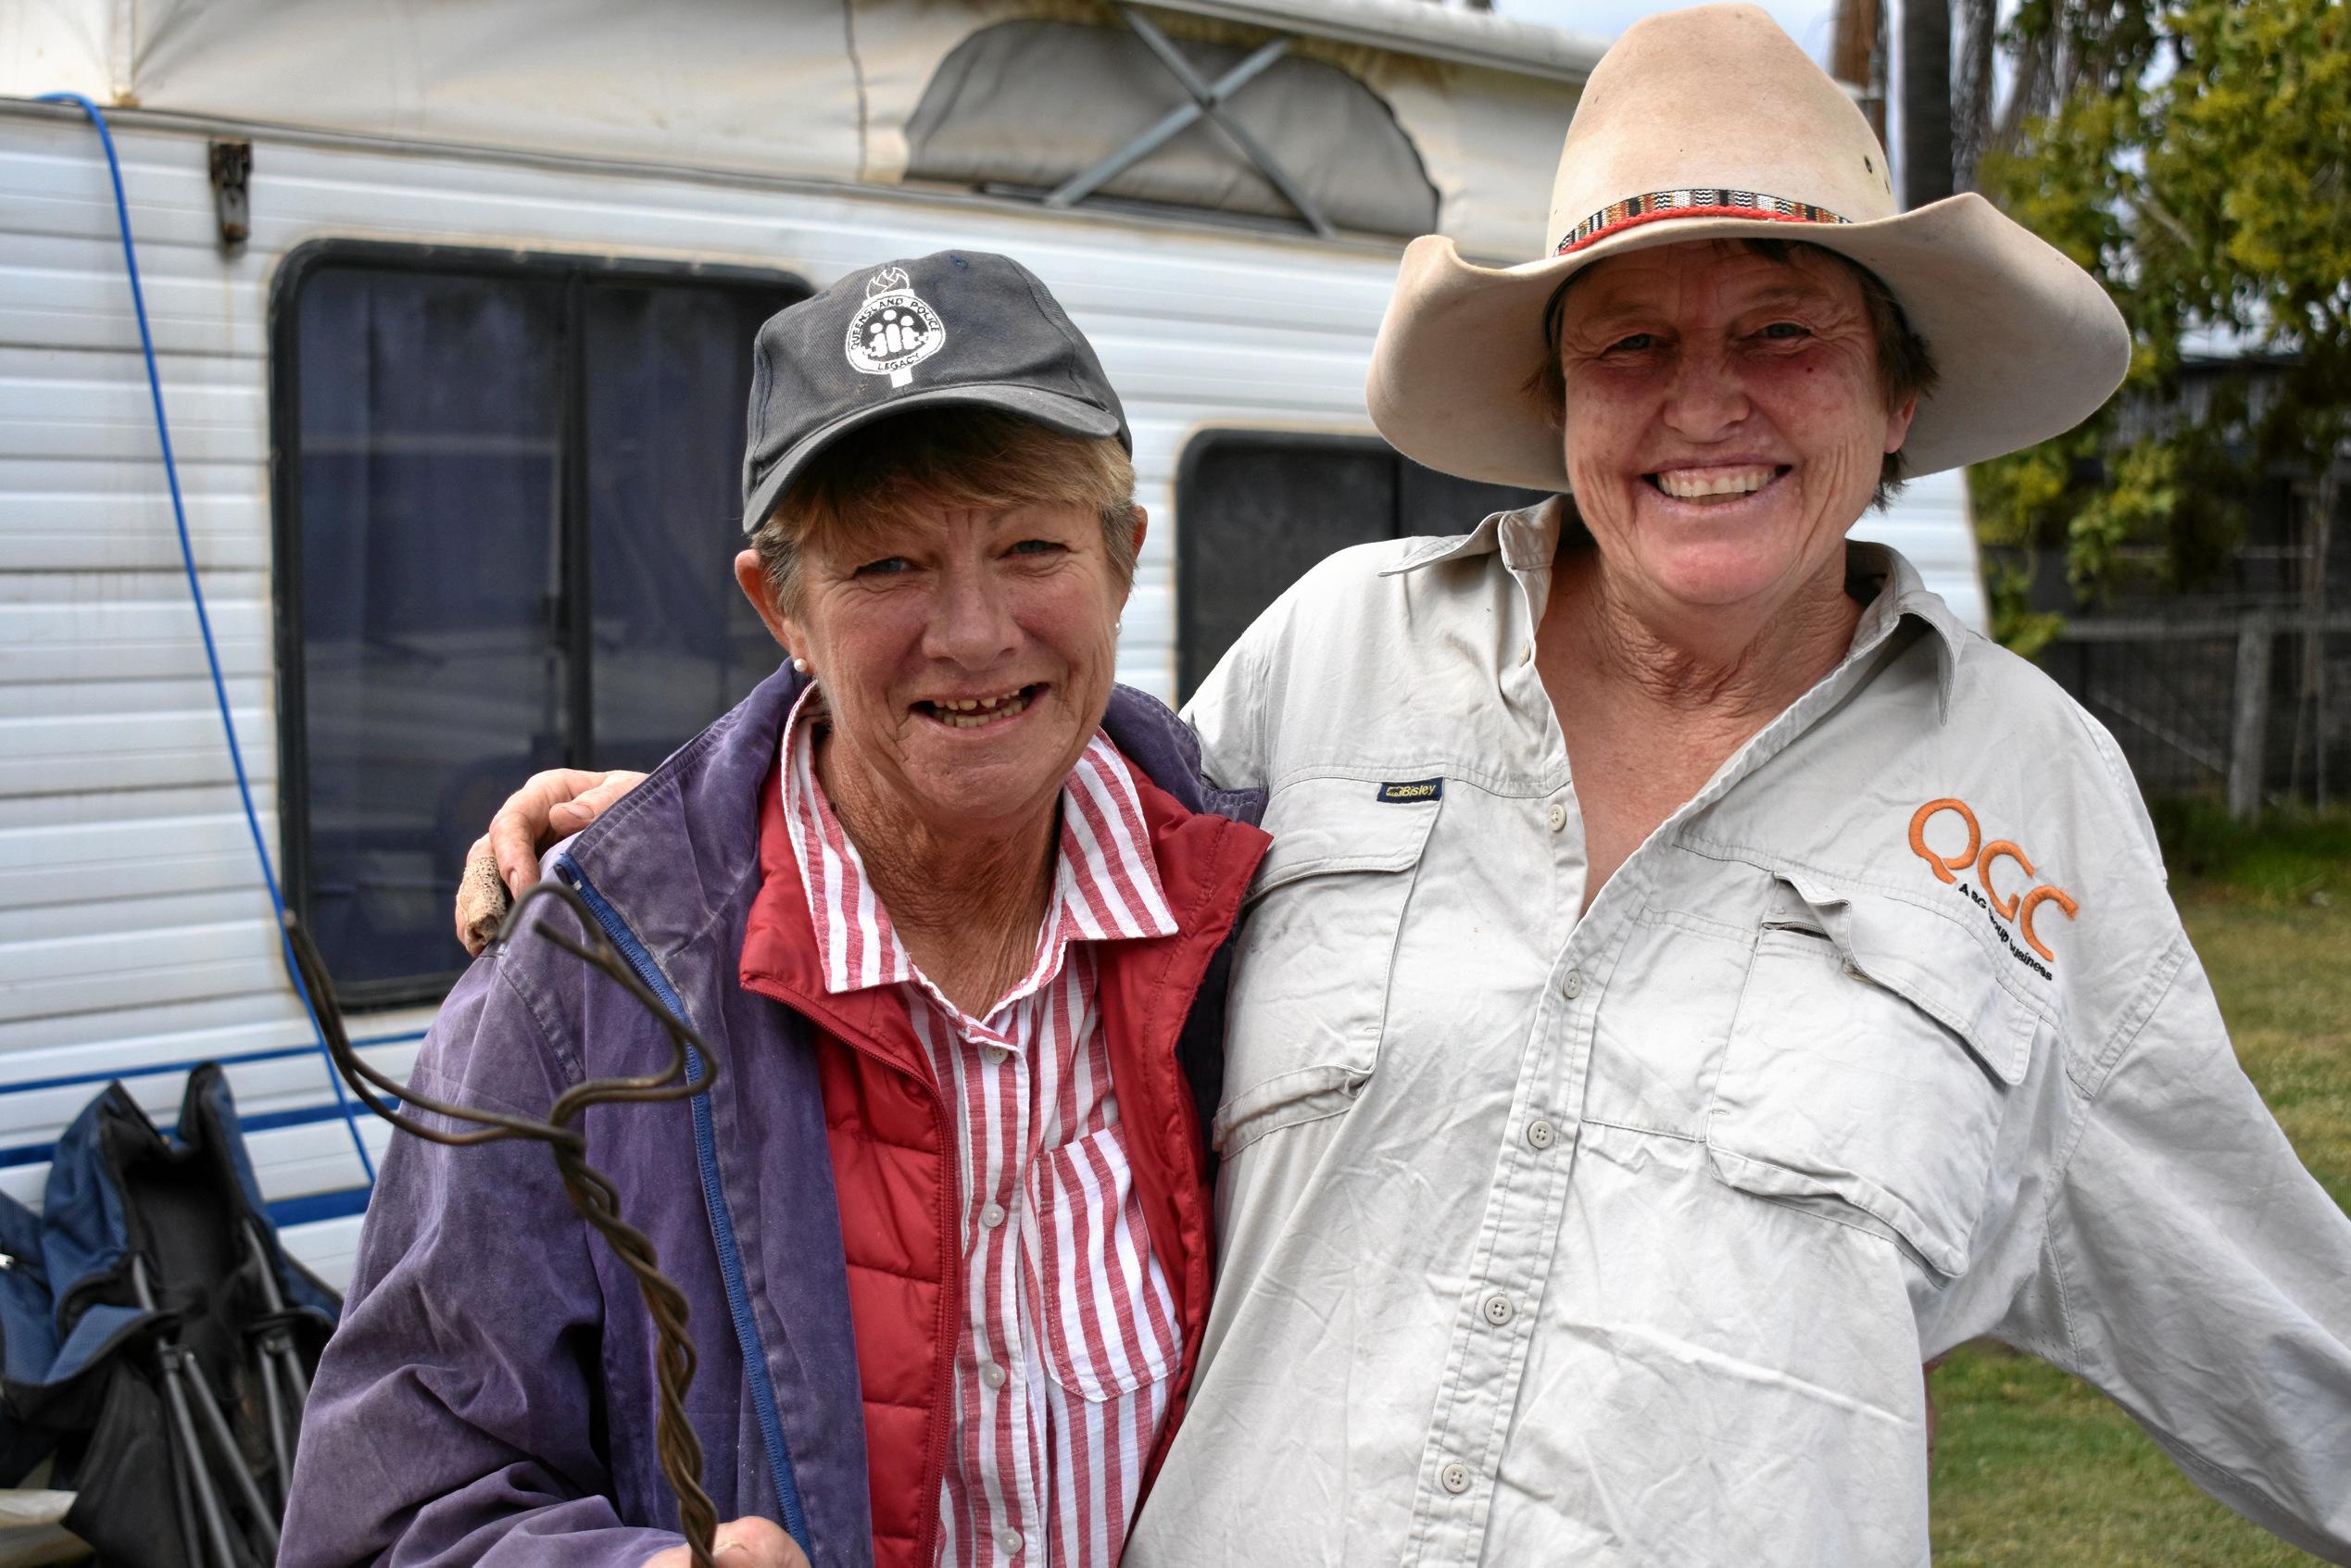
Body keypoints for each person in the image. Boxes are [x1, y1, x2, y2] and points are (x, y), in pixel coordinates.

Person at [466, 6, 2351, 1563]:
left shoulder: (2031, 794)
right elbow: (1041, 846)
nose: (1705, 403)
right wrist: (718, 819)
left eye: (1783, 329)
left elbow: (2276, 1319)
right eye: (1633, 343)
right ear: (1557, 399)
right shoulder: (1340, 650)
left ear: (1899, 391)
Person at [283, 252, 1272, 1568]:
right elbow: (385, 1516)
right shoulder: (586, 984)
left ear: (1122, 556)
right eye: (887, 564)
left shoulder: (1263, 902)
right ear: (780, 606)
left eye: (1031, 544)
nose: (972, 632)